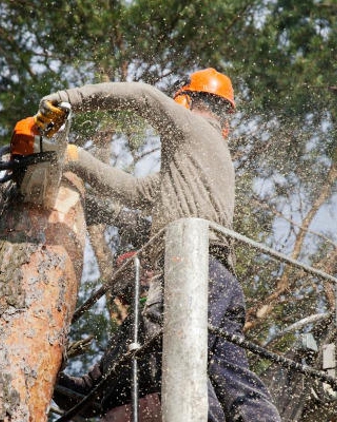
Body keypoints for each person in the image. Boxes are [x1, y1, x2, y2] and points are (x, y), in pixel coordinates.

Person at [35, 68, 282, 421]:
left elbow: (142, 96)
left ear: (185, 100)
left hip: (192, 267)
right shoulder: (202, 159)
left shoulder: (189, 128)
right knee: (230, 371)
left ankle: (96, 386)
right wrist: (75, 157)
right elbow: (134, 191)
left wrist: (66, 99)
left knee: (172, 355)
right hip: (223, 281)